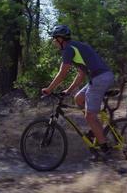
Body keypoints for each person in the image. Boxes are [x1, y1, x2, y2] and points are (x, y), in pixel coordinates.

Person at [42, 25, 114, 155]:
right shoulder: (77, 46)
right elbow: (81, 74)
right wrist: (69, 90)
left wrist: (49, 89)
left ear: (60, 39)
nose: (53, 42)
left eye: (54, 39)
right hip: (102, 77)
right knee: (79, 98)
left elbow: (62, 73)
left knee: (90, 116)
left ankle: (104, 148)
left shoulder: (69, 49)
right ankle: (95, 130)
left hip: (100, 78)